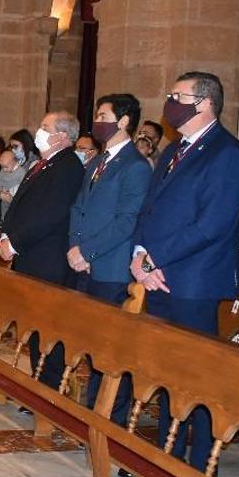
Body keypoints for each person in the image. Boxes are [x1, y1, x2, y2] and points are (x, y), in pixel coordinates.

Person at [131, 71, 239, 471]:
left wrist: (155, 257)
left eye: (178, 96)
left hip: (194, 280)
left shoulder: (226, 153)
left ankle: (197, 461)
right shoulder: (174, 148)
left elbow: (212, 223)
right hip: (159, 274)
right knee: (165, 369)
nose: (170, 102)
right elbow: (150, 206)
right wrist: (140, 252)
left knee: (194, 375)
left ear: (204, 102)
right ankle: (167, 447)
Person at [67, 94, 150, 415]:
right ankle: (91, 409)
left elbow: (127, 220)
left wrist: (87, 251)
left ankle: (109, 417)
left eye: (104, 116)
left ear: (124, 121)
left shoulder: (135, 166)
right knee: (92, 343)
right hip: (84, 263)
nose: (97, 122)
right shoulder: (98, 161)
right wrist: (75, 247)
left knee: (112, 350)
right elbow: (79, 207)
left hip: (111, 269)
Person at [0, 112, 85, 387]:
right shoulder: (43, 164)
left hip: (48, 259)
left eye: (45, 127)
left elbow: (50, 214)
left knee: (49, 328)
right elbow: (19, 205)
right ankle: (37, 383)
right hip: (31, 257)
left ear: (61, 136)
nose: (39, 131)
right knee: (34, 326)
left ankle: (49, 389)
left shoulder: (68, 166)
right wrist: (5, 234)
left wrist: (14, 242)